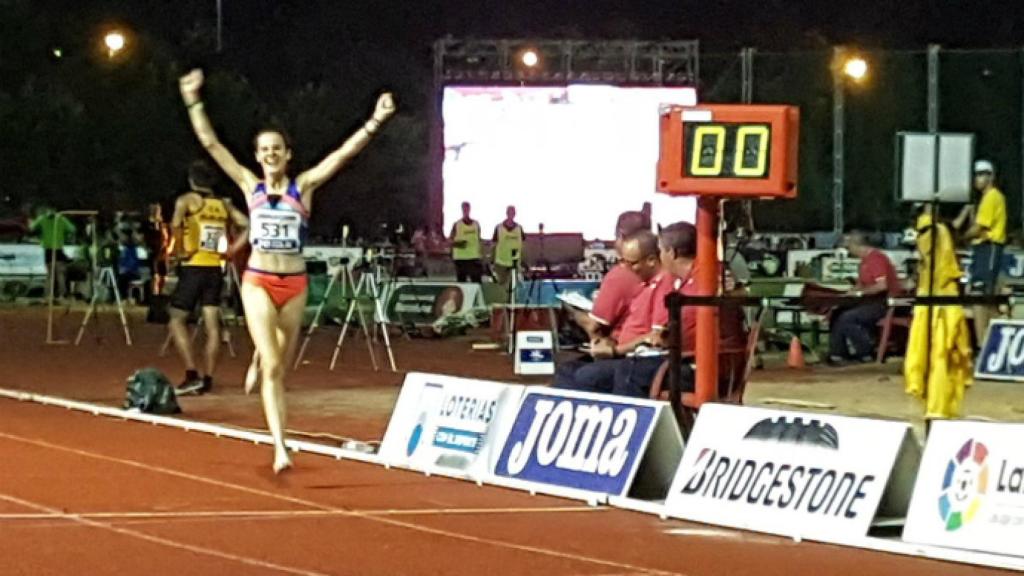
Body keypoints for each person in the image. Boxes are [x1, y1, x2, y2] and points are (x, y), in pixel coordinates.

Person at [180, 68, 395, 472]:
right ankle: (281, 447)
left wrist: (376, 119)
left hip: (294, 285)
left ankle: (260, 358)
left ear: (287, 154)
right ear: (257, 156)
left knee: (281, 364)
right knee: (275, 367)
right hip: (259, 281)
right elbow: (211, 143)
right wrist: (193, 100)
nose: (271, 155)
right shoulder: (250, 186)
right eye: (264, 150)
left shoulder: (304, 187)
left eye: (277, 149)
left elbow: (343, 155)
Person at [613, 222, 747, 398]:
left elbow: (675, 337)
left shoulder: (703, 281)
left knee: (629, 371)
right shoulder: (700, 276)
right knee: (608, 373)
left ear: (671, 252)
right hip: (710, 364)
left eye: (660, 251)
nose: (660, 257)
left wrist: (657, 339)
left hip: (707, 369)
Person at [168, 160, 250, 396]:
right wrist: (232, 251)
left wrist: (180, 252)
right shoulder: (223, 204)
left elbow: (175, 227)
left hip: (194, 267)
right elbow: (248, 225)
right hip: (215, 269)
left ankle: (191, 374)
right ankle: (208, 378)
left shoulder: (187, 201)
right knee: (212, 325)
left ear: (191, 180)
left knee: (176, 319)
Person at [552, 230, 663, 393]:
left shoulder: (663, 285)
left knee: (584, 376)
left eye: (631, 263)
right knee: (568, 370)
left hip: (637, 360)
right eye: (622, 262)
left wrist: (614, 350)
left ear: (652, 260)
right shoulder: (646, 284)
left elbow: (658, 336)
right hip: (625, 353)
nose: (626, 268)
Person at [904, 208, 972, 422]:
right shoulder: (941, 232)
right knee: (937, 357)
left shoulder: (931, 229)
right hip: (935, 300)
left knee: (940, 357)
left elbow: (927, 239)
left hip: (939, 303)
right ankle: (936, 405)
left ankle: (938, 406)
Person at [826, 232, 900, 365]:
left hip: (883, 303)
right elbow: (861, 285)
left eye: (849, 247)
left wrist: (859, 293)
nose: (848, 251)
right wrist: (850, 292)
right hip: (869, 301)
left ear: (857, 245)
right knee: (836, 313)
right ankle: (838, 354)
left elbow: (882, 285)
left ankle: (866, 352)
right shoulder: (864, 262)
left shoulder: (876, 259)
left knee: (848, 318)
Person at [953, 159, 1006, 342]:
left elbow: (979, 228)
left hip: (988, 247)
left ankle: (985, 340)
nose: (977, 179)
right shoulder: (985, 199)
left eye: (982, 174)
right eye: (976, 175)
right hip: (982, 248)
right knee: (982, 297)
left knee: (980, 296)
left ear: (991, 176)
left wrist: (959, 239)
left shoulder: (992, 197)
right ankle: (988, 339)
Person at [29, 206, 76, 299]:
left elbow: (31, 227)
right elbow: (72, 229)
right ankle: (62, 294)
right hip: (58, 248)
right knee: (60, 273)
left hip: (48, 249)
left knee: (50, 274)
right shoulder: (61, 219)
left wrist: (41, 233)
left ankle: (48, 295)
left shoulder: (42, 219)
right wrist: (64, 234)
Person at [491, 205, 524, 298]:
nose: (511, 214)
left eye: (513, 212)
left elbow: (523, 244)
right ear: (506, 213)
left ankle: (512, 303)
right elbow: (493, 244)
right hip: (501, 262)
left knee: (513, 287)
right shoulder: (499, 227)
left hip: (514, 262)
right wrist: (492, 261)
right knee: (501, 287)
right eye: (509, 212)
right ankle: (502, 303)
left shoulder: (519, 228)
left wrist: (522, 261)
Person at [449, 201, 482, 283]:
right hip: (460, 258)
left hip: (473, 257)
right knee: (462, 282)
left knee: (476, 282)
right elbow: (450, 241)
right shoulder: (457, 224)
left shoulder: (476, 224)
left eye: (467, 209)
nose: (465, 211)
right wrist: (458, 244)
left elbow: (479, 239)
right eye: (464, 209)